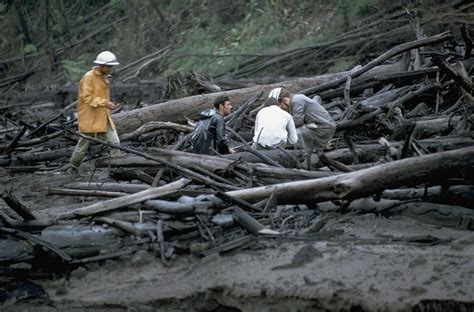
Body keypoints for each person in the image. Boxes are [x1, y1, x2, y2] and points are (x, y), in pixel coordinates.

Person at [69, 51, 121, 176]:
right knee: (83, 145)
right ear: (101, 65)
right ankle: (73, 167)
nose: (110, 69)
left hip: (103, 116)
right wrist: (105, 103)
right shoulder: (88, 77)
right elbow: (87, 97)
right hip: (89, 117)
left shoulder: (104, 77)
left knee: (115, 143)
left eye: (111, 66)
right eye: (108, 66)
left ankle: (116, 168)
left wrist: (107, 104)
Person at [268, 87, 336, 150]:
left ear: (284, 100)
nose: (280, 109)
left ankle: (306, 153)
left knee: (293, 135)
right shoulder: (293, 101)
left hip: (323, 128)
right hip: (316, 125)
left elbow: (298, 121)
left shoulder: (297, 100)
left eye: (279, 106)